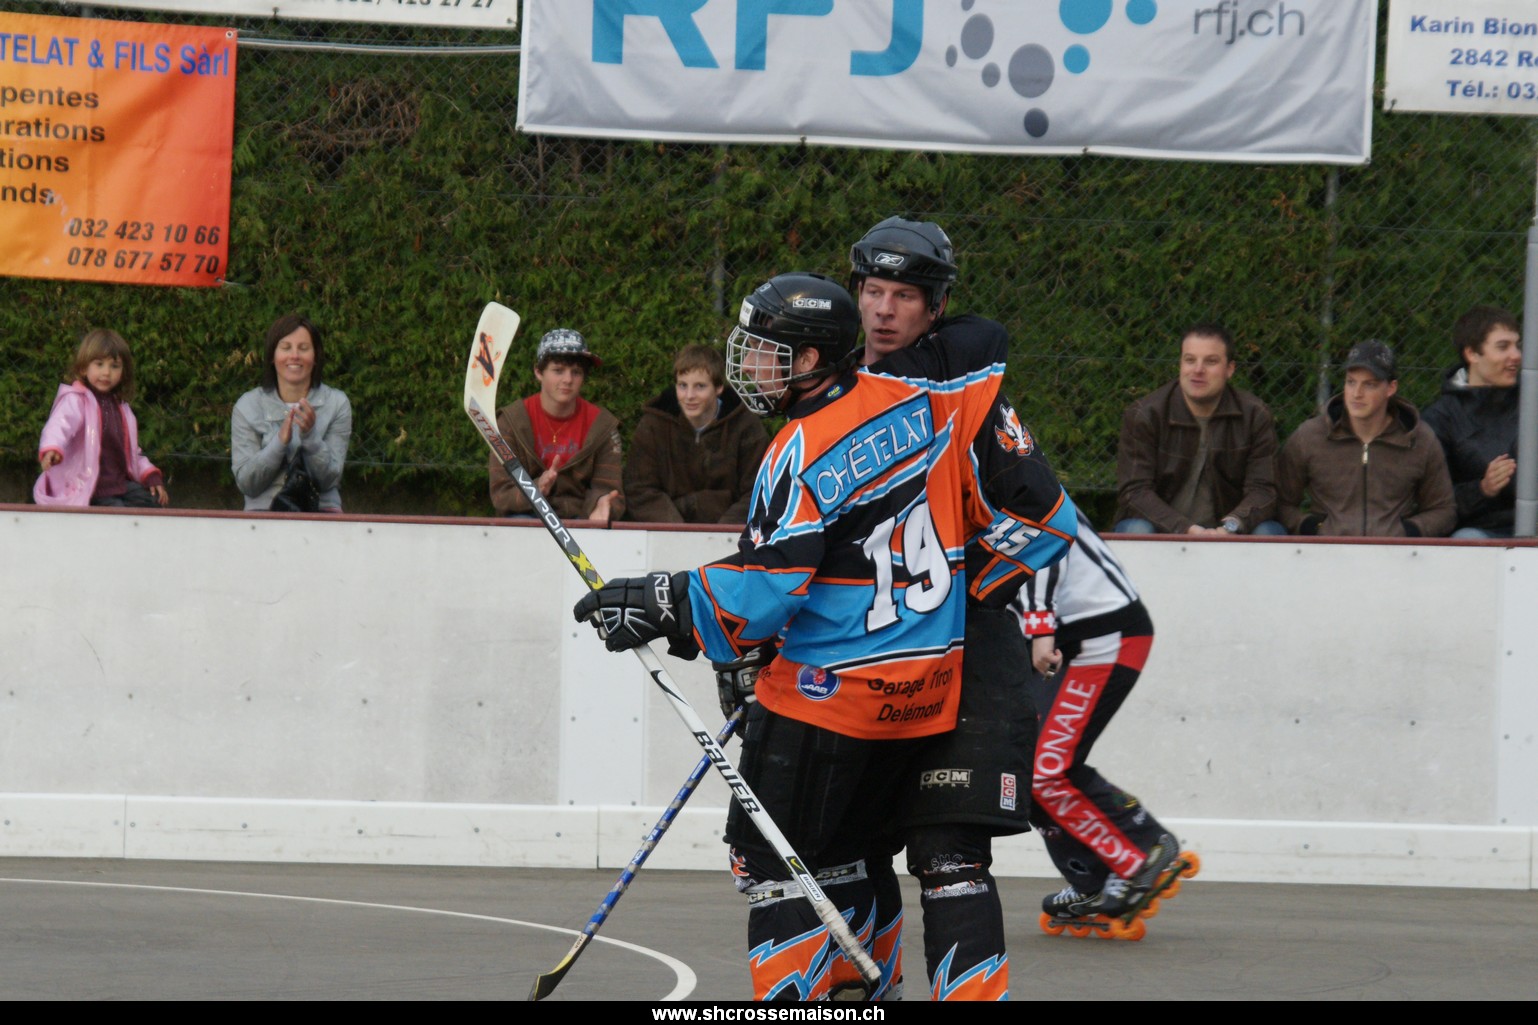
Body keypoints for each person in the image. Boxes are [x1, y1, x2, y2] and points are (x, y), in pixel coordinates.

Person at [572, 271, 1074, 1002]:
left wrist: (666, 599)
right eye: (874, 291)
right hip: (923, 692)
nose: (749, 365)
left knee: (772, 864)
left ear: (809, 361)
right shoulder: (930, 403)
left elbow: (773, 586)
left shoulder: (800, 444)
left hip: (832, 695)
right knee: (891, 856)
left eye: (766, 352)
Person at [849, 217, 1078, 1000]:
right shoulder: (834, 389)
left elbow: (1049, 519)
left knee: (949, 856)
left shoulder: (969, 393)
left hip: (964, 663)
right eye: (873, 290)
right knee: (851, 848)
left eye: (905, 295)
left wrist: (959, 591)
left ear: (936, 307)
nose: (885, 310)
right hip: (866, 663)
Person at [1013, 507, 1192, 938]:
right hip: (1058, 639)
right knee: (1020, 767)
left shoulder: (991, 474)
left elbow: (1041, 530)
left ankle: (1142, 845)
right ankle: (1093, 878)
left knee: (1045, 768)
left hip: (1101, 633)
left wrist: (1039, 624)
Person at [1113, 322, 1285, 536]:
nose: (1198, 370)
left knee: (1270, 532)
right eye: (1190, 360)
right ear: (1180, 364)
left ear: (1229, 369)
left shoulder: (1254, 416)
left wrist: (1231, 526)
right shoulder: (1146, 414)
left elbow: (1263, 490)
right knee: (1136, 529)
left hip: (1228, 532)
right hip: (1165, 529)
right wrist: (1186, 529)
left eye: (1210, 361)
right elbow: (1134, 492)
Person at [1276, 340, 1455, 538]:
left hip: (1395, 553)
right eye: (1351, 382)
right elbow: (1280, 502)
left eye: (1369, 385)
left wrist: (1408, 531)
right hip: (1326, 552)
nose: (1357, 394)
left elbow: (1443, 509)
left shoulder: (1420, 440)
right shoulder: (1309, 436)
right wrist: (1312, 527)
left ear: (1391, 388)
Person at [623, 343, 769, 524]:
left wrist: (721, 534)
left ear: (718, 388)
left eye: (700, 386)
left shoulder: (746, 426)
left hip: (729, 534)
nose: (689, 396)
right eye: (682, 385)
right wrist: (677, 532)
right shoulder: (653, 424)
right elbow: (639, 490)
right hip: (667, 533)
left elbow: (757, 491)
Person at [489, 328, 624, 524]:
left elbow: (610, 489)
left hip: (581, 521)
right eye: (558, 370)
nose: (568, 380)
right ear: (538, 372)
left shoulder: (603, 426)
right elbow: (502, 495)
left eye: (576, 372)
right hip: (526, 519)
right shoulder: (510, 422)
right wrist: (537, 488)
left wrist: (602, 504)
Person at [1420, 305, 1525, 539]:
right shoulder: (1441, 418)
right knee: (1467, 540)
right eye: (1503, 347)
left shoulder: (1530, 403)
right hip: (1482, 534)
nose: (1516, 355)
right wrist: (1483, 489)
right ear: (1472, 354)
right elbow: (1433, 503)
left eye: (1516, 345)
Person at [34, 328, 169, 508]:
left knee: (151, 503)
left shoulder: (122, 408)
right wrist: (53, 448)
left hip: (118, 484)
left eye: (114, 366)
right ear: (84, 368)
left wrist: (149, 474)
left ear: (123, 371)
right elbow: (60, 425)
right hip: (88, 486)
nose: (106, 372)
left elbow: (131, 452)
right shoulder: (77, 400)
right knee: (116, 513)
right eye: (99, 364)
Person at [232, 313, 352, 513]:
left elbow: (330, 479)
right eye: (286, 347)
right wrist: (279, 443)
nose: (294, 355)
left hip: (322, 515)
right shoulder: (247, 406)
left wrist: (311, 437)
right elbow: (247, 484)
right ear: (272, 356)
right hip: (263, 516)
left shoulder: (337, 403)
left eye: (303, 348)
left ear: (315, 356)